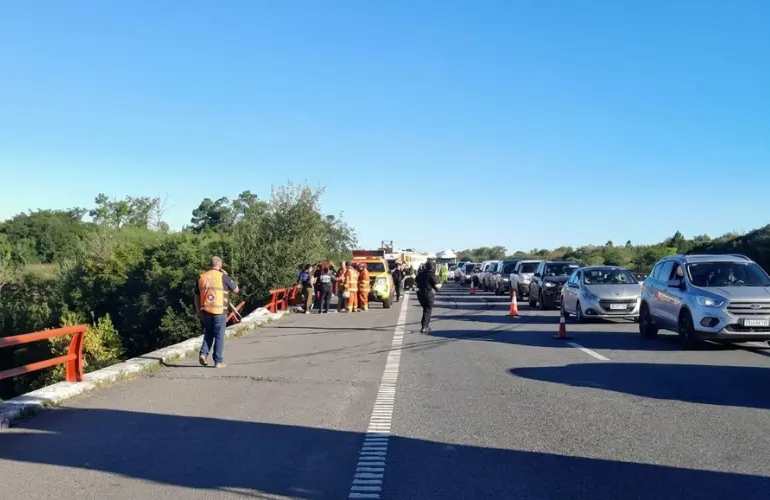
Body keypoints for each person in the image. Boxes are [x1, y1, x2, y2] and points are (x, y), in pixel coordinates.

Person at [195, 256, 239, 368]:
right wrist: (227, 276)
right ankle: (218, 361)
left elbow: (196, 296)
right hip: (219, 310)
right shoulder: (222, 276)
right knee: (219, 336)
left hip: (205, 310)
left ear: (210, 264)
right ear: (220, 264)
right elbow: (236, 290)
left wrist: (198, 311)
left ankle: (203, 354)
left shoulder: (201, 277)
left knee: (208, 333)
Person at [415, 261, 440, 333]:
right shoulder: (432, 275)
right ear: (433, 267)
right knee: (428, 309)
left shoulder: (420, 274)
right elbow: (438, 287)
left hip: (420, 294)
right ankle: (425, 327)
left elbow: (416, 283)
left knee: (425, 309)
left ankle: (425, 325)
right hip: (428, 294)